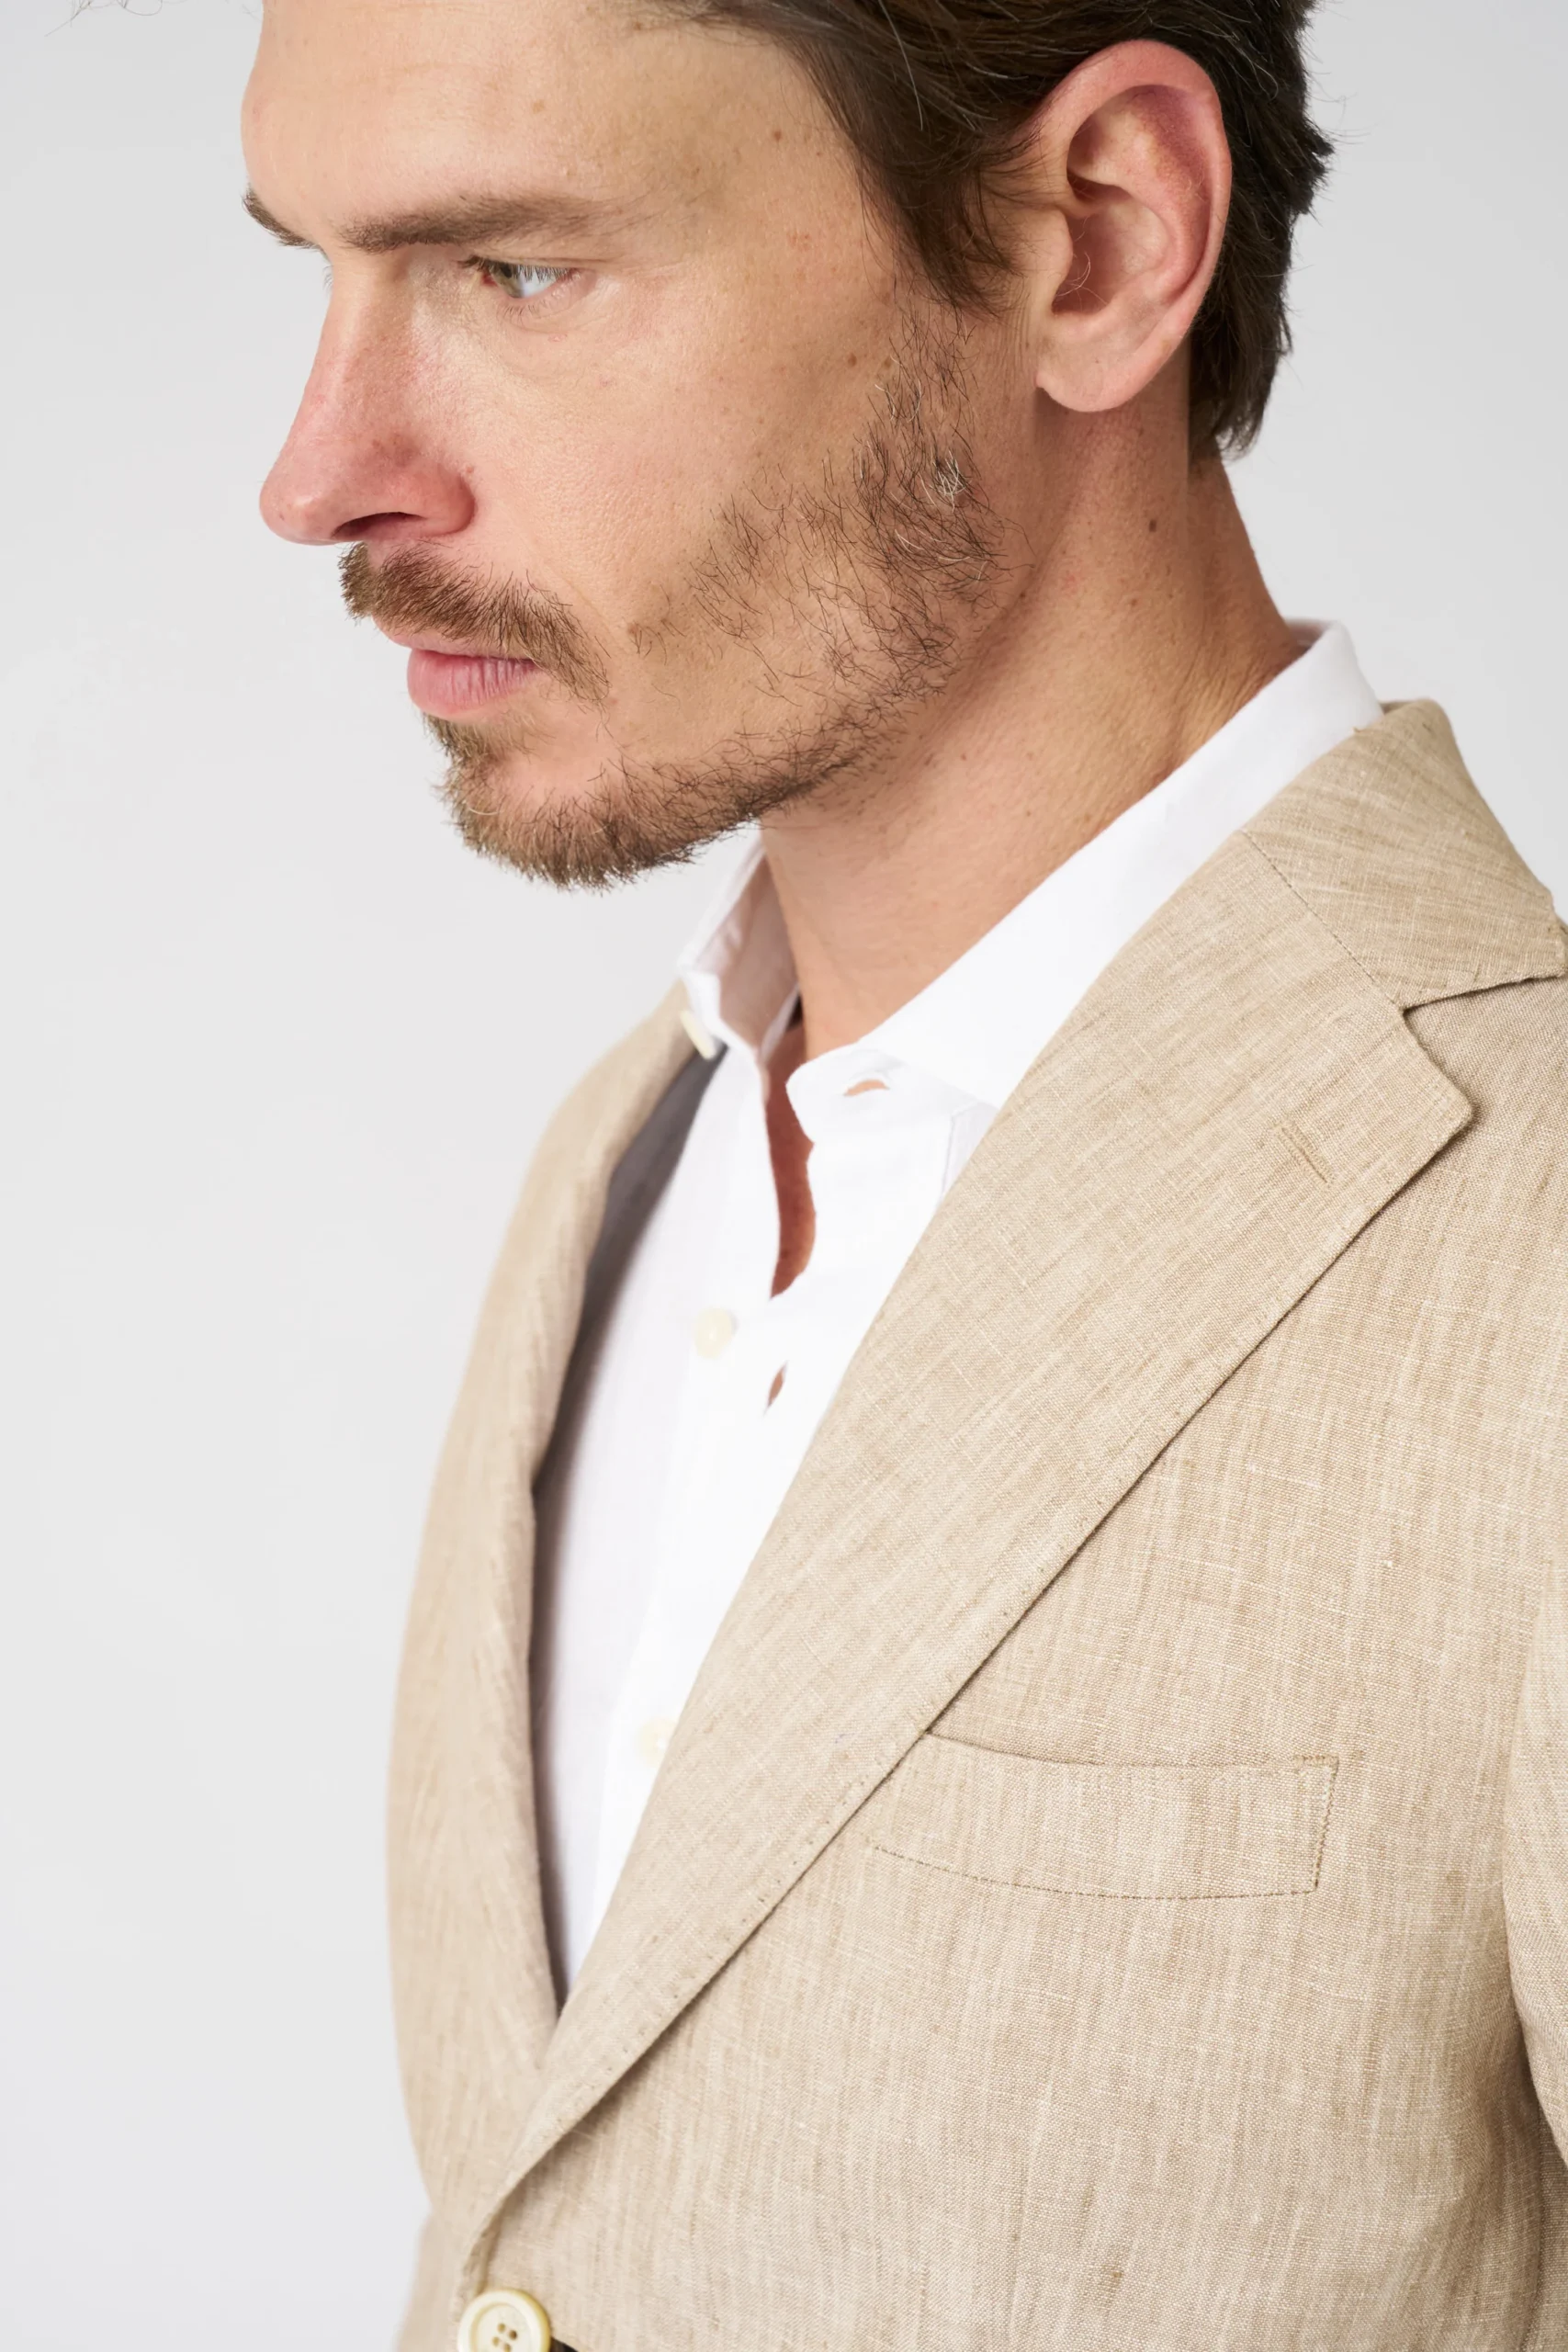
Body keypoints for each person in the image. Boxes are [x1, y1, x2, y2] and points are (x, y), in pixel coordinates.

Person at [243, 0, 1568, 2344]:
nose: (320, 471)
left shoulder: (1523, 1244)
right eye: (317, 270)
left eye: (514, 270)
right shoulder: (626, 1163)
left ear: (1100, 237)